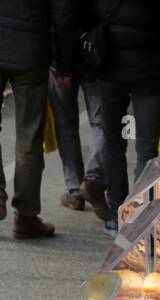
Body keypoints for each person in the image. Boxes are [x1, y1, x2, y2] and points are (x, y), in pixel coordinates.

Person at [83, 0, 160, 232]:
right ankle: (140, 213)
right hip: (150, 70)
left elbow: (84, 13)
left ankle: (117, 212)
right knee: (147, 148)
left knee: (114, 144)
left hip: (110, 67)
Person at [0, 0, 77, 238]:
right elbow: (62, 13)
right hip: (30, 53)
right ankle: (26, 215)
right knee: (29, 137)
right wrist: (64, 64)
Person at [48, 65, 108, 217]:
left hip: (61, 60)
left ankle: (74, 191)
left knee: (65, 123)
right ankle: (91, 179)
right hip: (93, 58)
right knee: (100, 122)